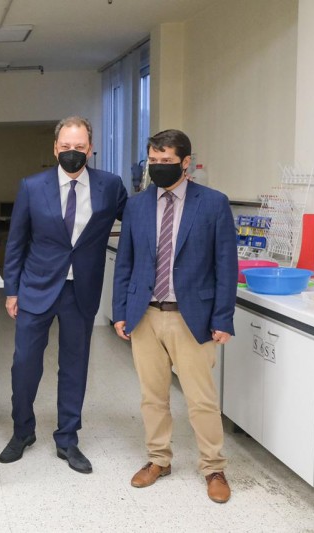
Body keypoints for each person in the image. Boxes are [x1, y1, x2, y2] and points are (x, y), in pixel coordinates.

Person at [112, 129, 237, 503]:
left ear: (185, 162)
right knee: (152, 397)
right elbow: (125, 263)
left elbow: (226, 265)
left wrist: (223, 318)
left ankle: (213, 467)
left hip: (192, 316)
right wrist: (120, 312)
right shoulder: (136, 206)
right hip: (146, 315)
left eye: (166, 161)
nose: (158, 167)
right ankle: (158, 460)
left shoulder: (212, 203)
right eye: (153, 161)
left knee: (201, 400)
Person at [0, 116, 128, 473]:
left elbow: (137, 218)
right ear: (55, 149)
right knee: (25, 363)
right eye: (67, 147)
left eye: (80, 147)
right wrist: (12, 290)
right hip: (36, 286)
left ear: (91, 149)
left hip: (80, 290)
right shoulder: (32, 186)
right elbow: (16, 242)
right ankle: (22, 431)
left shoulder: (110, 186)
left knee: (75, 365)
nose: (73, 152)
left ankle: (68, 438)